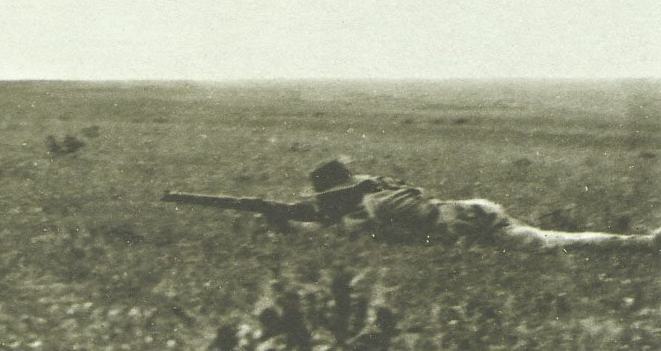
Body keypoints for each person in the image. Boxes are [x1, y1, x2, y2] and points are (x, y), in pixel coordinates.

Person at [259, 158, 660, 251]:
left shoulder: (367, 210)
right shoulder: (379, 193)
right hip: (471, 210)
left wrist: (285, 223)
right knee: (553, 239)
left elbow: (340, 234)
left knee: (550, 244)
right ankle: (640, 243)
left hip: (465, 226)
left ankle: (640, 244)